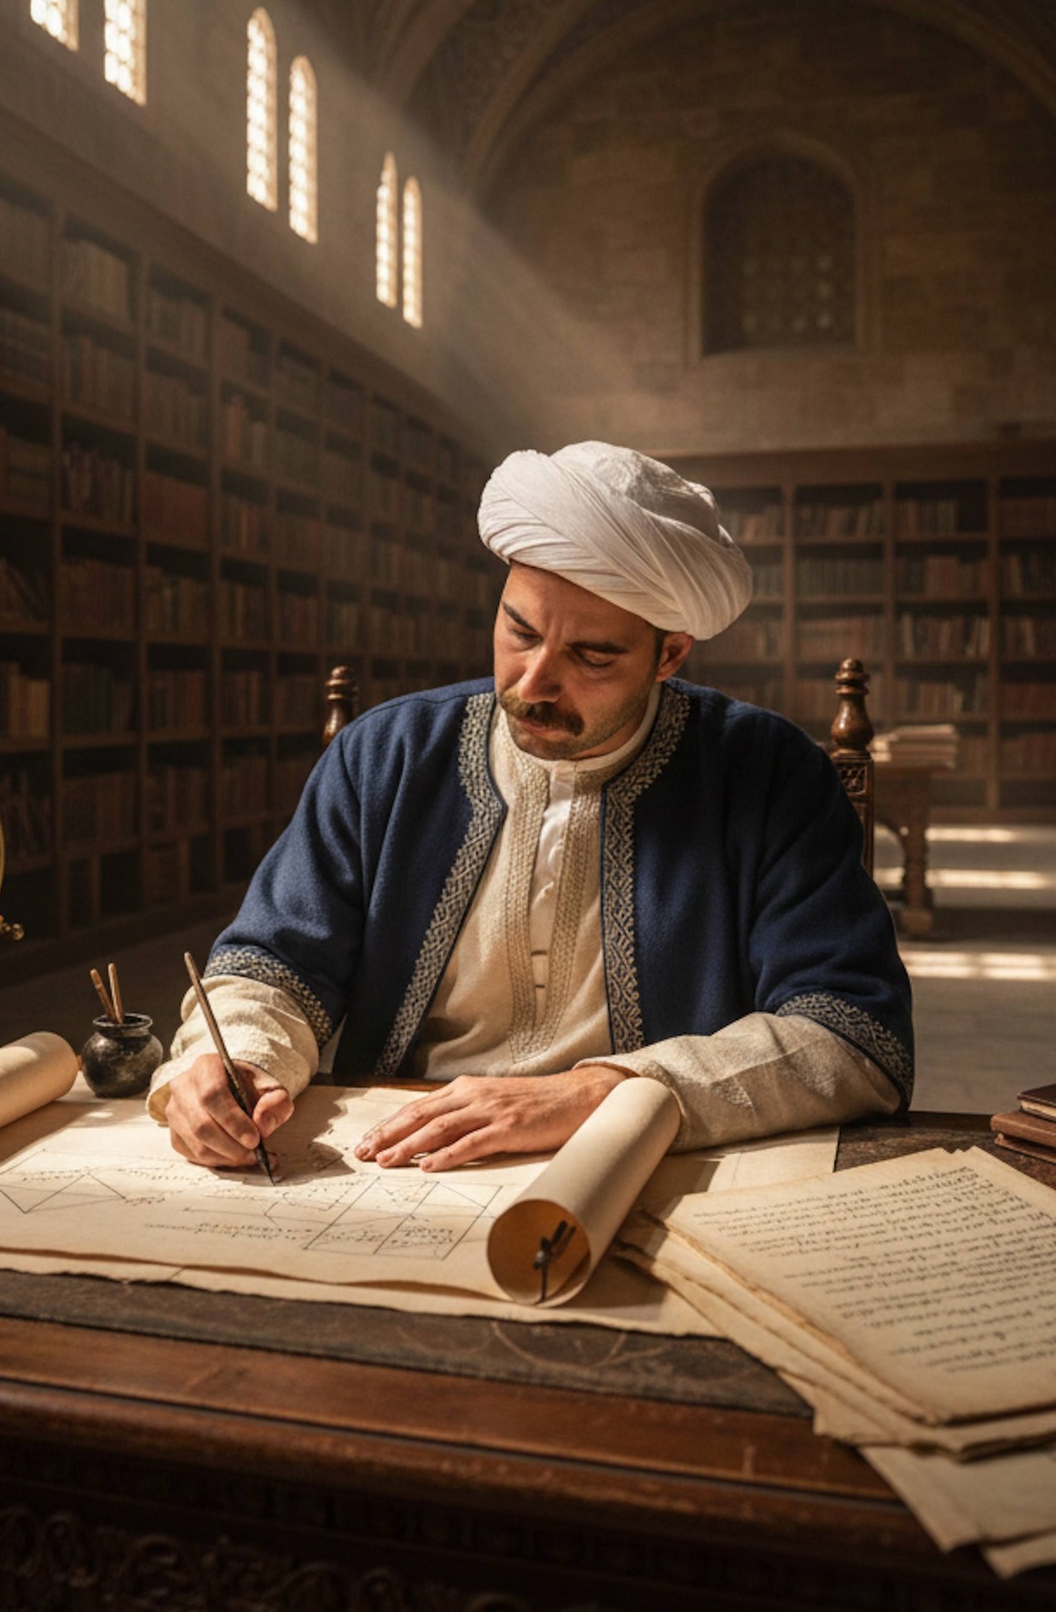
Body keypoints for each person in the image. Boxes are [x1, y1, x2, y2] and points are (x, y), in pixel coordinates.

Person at [150, 441, 912, 1171]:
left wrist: (607, 1092)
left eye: (592, 655)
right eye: (519, 630)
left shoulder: (769, 773)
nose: (532, 683)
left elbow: (853, 1036)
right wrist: (236, 1058)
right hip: (395, 1153)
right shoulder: (386, 754)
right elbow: (274, 964)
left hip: (640, 1155)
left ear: (669, 655)